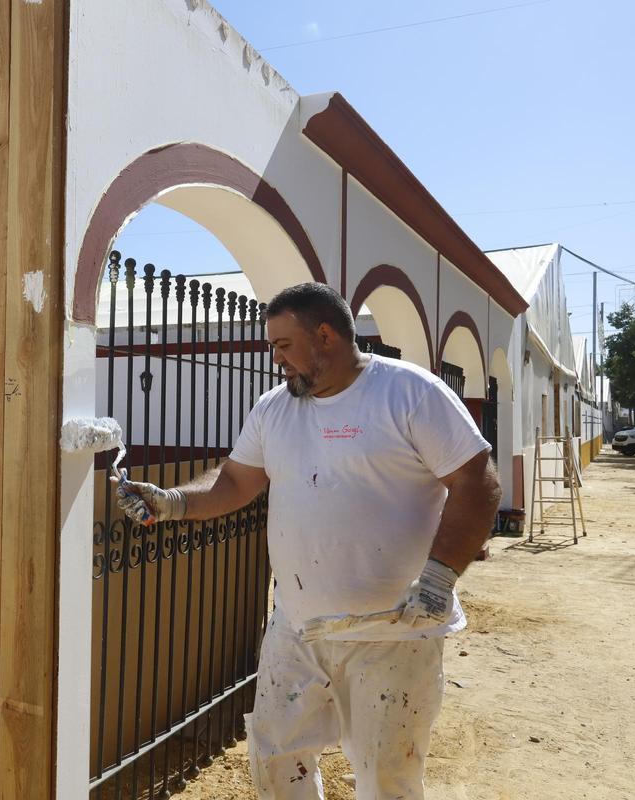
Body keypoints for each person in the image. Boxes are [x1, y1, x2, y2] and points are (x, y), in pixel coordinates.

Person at [115, 283, 501, 800]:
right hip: (296, 628)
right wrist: (173, 502)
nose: (276, 360)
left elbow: (478, 483)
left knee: (387, 775)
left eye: (282, 345)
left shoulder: (410, 393)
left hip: (392, 633)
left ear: (325, 336)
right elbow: (235, 481)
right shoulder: (275, 409)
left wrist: (438, 578)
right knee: (276, 756)